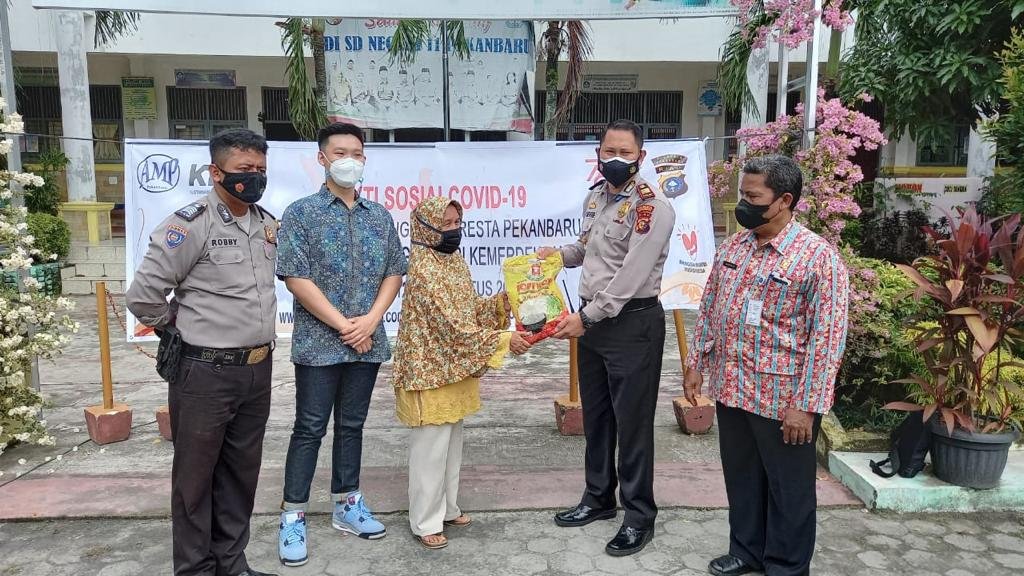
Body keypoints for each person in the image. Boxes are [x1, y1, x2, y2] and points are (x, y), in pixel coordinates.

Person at [683, 155, 849, 576]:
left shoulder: (817, 258)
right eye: (742, 194)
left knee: (789, 489)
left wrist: (806, 406)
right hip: (732, 387)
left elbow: (827, 340)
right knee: (742, 477)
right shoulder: (733, 248)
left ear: (784, 200)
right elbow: (710, 307)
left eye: (753, 197)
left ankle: (787, 566)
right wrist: (696, 361)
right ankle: (746, 551)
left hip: (782, 399)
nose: (744, 204)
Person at [126, 128, 278, 576]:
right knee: (195, 479)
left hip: (257, 369)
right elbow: (144, 296)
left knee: (240, 473)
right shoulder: (191, 225)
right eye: (244, 169)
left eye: (260, 169)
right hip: (205, 372)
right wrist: (175, 327)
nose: (254, 177)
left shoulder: (266, 224)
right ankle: (194, 569)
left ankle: (232, 563)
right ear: (216, 172)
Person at [538, 118, 674, 557]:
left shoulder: (652, 208)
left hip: (632, 324)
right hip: (594, 323)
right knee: (597, 418)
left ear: (641, 156)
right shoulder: (596, 197)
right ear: (597, 154)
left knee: (632, 424)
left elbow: (630, 276)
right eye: (608, 151)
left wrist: (587, 318)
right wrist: (556, 257)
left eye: (625, 152)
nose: (616, 159)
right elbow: (587, 249)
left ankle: (639, 516)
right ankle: (598, 498)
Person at [275, 122, 407, 567]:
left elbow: (394, 271)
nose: (349, 160)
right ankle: (292, 515)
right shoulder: (301, 213)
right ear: (322, 159)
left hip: (367, 340)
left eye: (357, 153)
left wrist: (370, 321)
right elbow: (296, 277)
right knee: (309, 428)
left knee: (352, 425)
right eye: (339, 153)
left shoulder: (379, 216)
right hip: (319, 343)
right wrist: (344, 326)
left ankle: (347, 504)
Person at [392, 197, 533, 550]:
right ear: (426, 228)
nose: (454, 230)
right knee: (430, 451)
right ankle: (425, 521)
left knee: (451, 446)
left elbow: (468, 312)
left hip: (452, 368)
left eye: (457, 222)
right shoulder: (424, 270)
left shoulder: (453, 261)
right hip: (428, 371)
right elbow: (453, 328)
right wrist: (503, 340)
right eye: (446, 224)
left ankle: (448, 508)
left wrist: (500, 303)